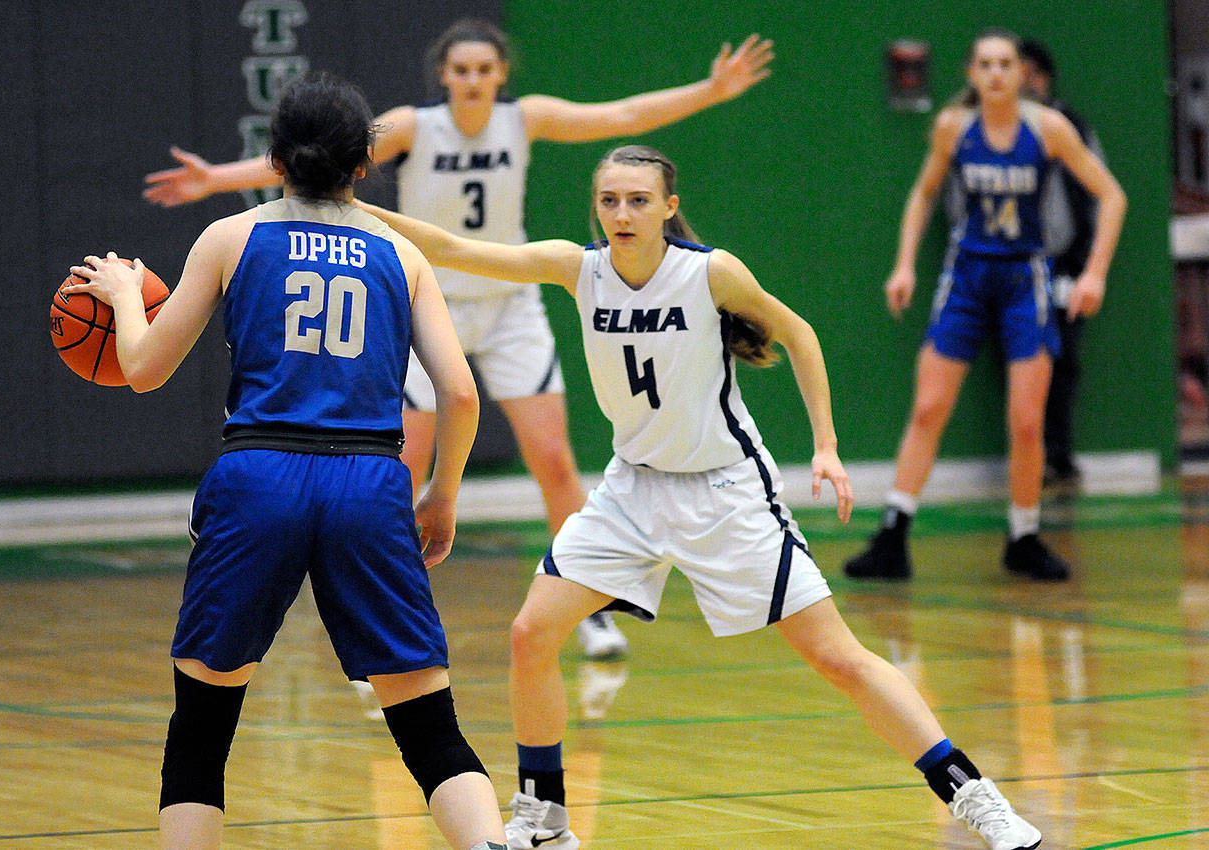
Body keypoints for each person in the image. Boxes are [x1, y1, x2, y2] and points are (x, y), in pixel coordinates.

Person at [359, 144, 1043, 850]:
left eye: (638, 200)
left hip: (724, 491)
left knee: (838, 657)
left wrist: (828, 446)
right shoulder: (579, 268)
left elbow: (800, 336)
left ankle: (977, 799)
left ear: (668, 207)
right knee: (531, 633)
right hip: (631, 489)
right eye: (610, 201)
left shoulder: (709, 272)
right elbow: (446, 245)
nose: (622, 213)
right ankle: (545, 821)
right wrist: (347, 207)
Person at [143, 19, 775, 659]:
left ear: (501, 74)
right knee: (402, 466)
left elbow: (627, 113)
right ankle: (386, 619)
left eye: (484, 69)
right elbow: (318, 153)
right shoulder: (415, 126)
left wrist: (711, 90)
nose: (472, 80)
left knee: (555, 461)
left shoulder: (525, 117)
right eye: (460, 70)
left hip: (509, 307)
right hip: (429, 299)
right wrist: (216, 179)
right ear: (443, 76)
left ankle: (593, 607)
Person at [66, 71, 508, 850]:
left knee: (201, 732)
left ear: (274, 159)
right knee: (430, 730)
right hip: (371, 483)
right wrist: (440, 494)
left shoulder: (231, 239)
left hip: (260, 476)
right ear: (364, 165)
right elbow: (461, 395)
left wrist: (125, 293)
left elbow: (140, 368)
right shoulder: (400, 254)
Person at [844, 28, 1125, 583]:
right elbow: (924, 193)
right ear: (972, 75)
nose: (996, 73)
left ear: (1021, 74)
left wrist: (1094, 273)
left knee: (1026, 422)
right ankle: (893, 534)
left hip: (1025, 278)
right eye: (985, 64)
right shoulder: (955, 128)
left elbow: (1112, 195)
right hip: (968, 277)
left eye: (1005, 64)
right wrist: (904, 263)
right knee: (928, 408)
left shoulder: (1048, 129)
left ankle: (1024, 536)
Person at [1018, 38, 1105, 488]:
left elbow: (1105, 196)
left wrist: (1091, 267)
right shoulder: (987, 129)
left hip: (1063, 265)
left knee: (1062, 361)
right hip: (1009, 267)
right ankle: (1029, 459)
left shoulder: (1069, 126)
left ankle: (1059, 455)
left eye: (1027, 71)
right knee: (1021, 366)